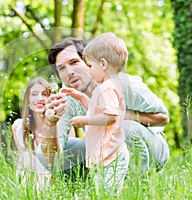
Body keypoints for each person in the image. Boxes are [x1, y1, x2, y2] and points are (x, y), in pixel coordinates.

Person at [45, 36, 170, 175]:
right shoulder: (66, 98)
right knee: (45, 149)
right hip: (107, 155)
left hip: (152, 150)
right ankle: (90, 191)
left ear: (89, 61)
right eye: (61, 68)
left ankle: (136, 187)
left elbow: (163, 118)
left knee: (123, 127)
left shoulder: (124, 85)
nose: (69, 72)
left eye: (74, 62)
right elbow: (54, 157)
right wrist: (51, 123)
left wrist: (122, 115)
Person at [61, 32, 130, 193]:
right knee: (103, 192)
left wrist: (84, 121)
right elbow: (96, 109)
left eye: (90, 66)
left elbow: (111, 117)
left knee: (108, 193)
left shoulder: (108, 88)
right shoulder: (106, 87)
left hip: (111, 155)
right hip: (104, 155)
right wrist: (80, 97)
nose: (89, 71)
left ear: (103, 64)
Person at [11, 77, 67, 186]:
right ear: (28, 99)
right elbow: (22, 162)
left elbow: (59, 164)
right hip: (26, 187)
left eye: (44, 94)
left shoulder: (61, 126)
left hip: (51, 187)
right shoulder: (18, 127)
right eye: (34, 94)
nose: (40, 98)